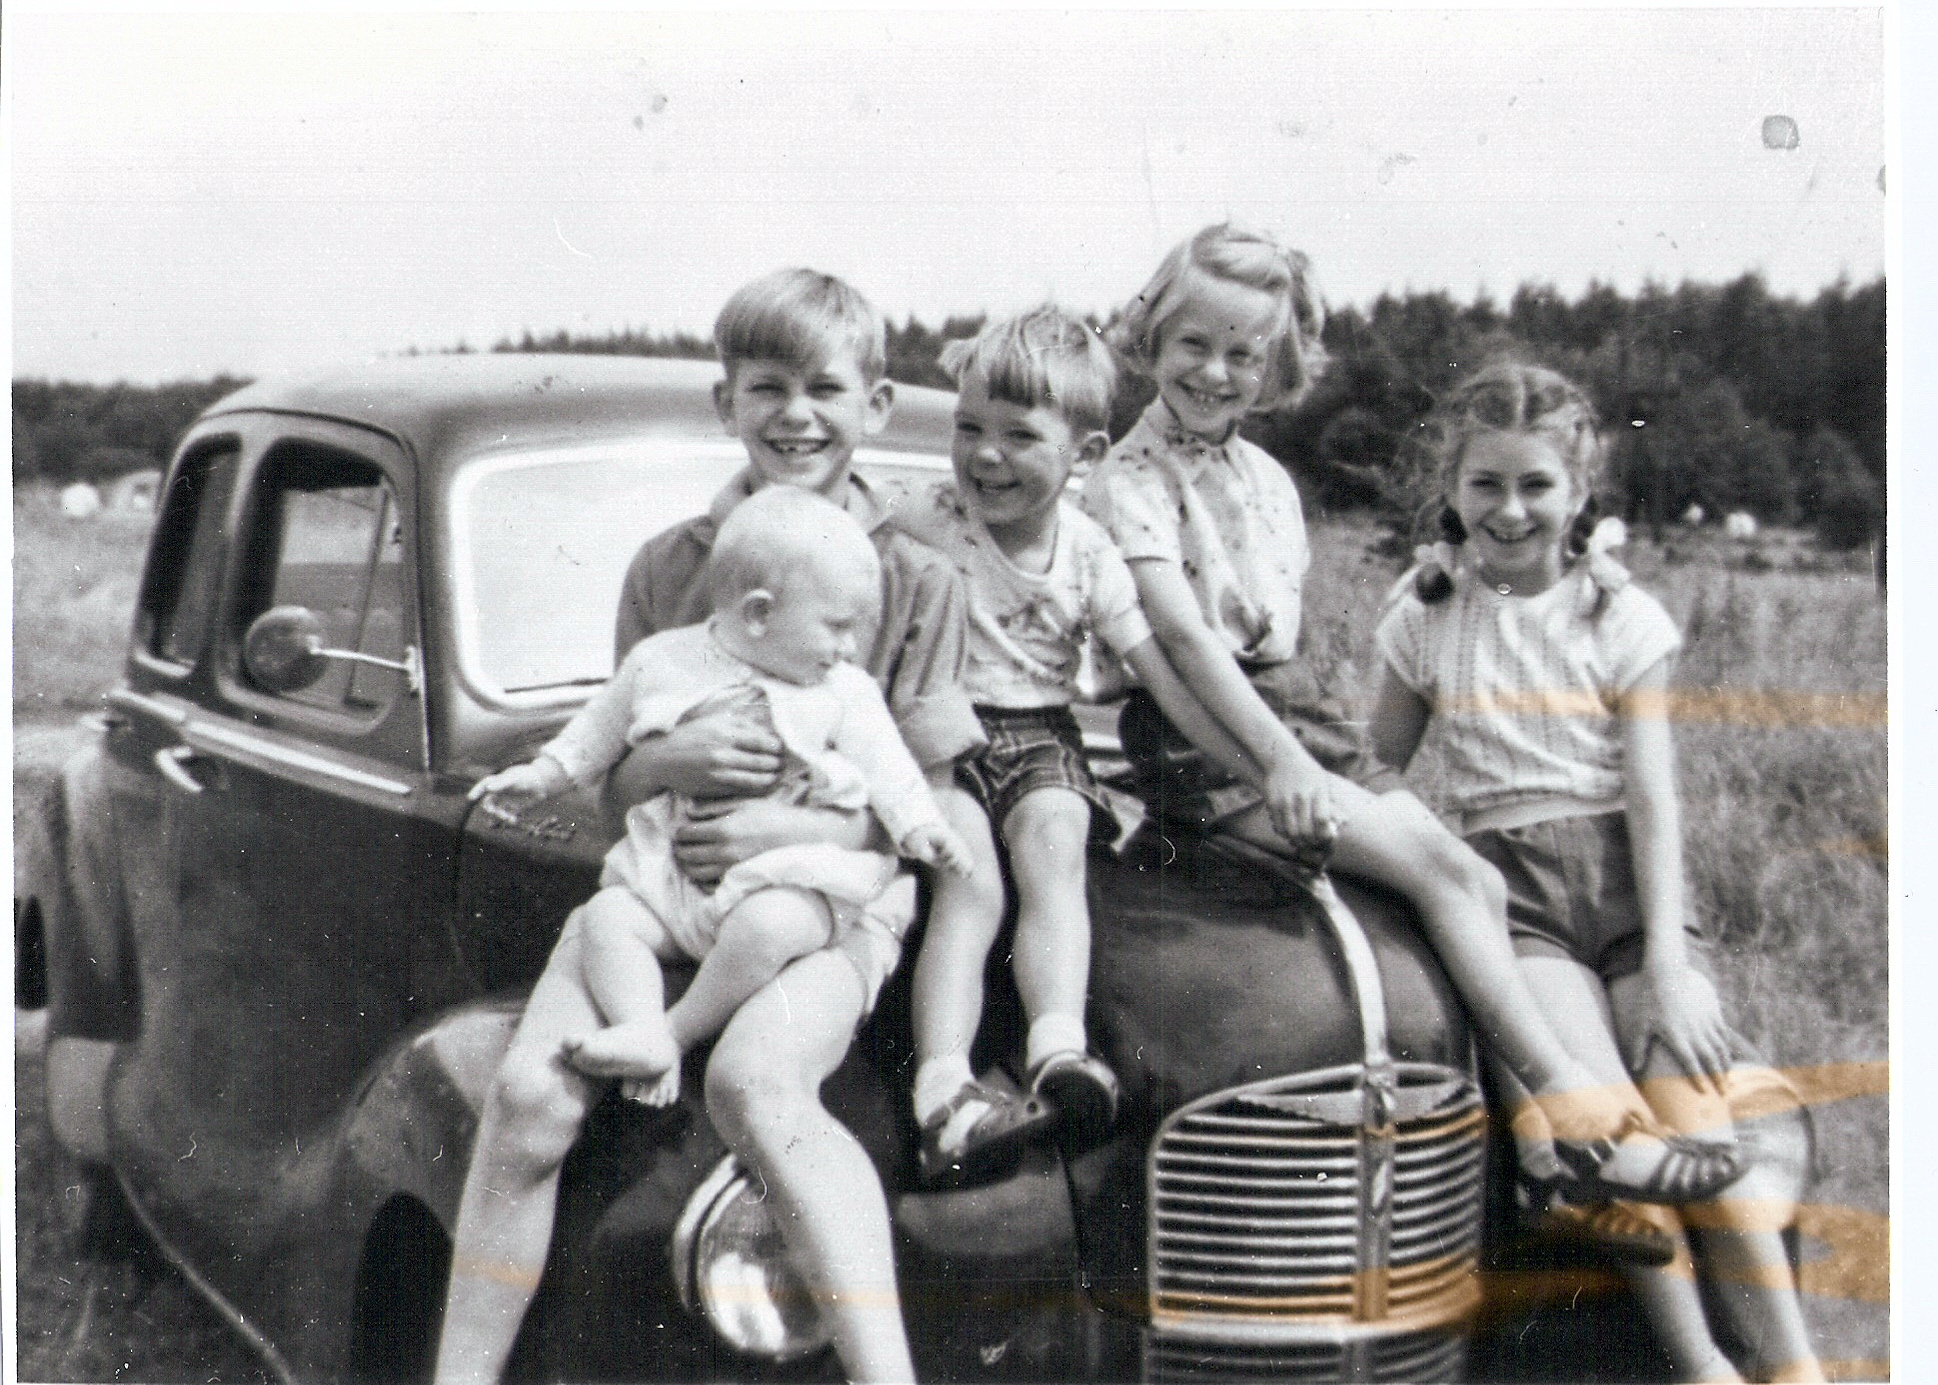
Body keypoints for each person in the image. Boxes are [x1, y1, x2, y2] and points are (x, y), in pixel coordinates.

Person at [1080, 222, 1743, 1209]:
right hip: (1210, 737)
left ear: (1278, 362)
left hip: (1297, 715)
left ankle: (1542, 1150)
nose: (1216, 372)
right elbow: (1187, 649)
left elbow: (1284, 650)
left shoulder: (1264, 480)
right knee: (1442, 872)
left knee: (1470, 876)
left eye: (1244, 353)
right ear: (1152, 337)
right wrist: (1280, 769)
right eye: (1194, 344)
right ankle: (1570, 1110)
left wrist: (1312, 749)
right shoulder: (1127, 481)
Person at [435, 268, 984, 1385]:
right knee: (533, 1095)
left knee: (756, 1085)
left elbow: (930, 811)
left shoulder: (918, 576)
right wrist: (660, 760)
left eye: (825, 387)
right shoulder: (671, 566)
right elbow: (610, 780)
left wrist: (789, 822)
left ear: (873, 407)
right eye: (767, 386)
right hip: (658, 886)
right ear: (724, 398)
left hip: (827, 911)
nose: (797, 413)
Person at [1369, 359, 1824, 1383]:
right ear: (1451, 487)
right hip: (1512, 893)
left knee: (1699, 1114)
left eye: (1536, 485)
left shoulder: (1619, 615)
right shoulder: (1424, 614)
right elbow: (1378, 767)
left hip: (1629, 887)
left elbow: (1656, 797)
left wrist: (1668, 955)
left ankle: (1792, 1362)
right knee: (1607, 1122)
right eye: (1485, 484)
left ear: (1579, 494)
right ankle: (1699, 1360)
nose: (1510, 508)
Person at [894, 306, 1262, 1186]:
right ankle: (942, 1083)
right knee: (968, 878)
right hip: (942, 735)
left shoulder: (1093, 554)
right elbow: (842, 585)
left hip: (1040, 735)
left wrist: (1255, 760)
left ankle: (1056, 1042)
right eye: (968, 428)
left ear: (1087, 456)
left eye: (1019, 436)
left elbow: (1160, 673)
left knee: (1055, 842)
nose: (985, 456)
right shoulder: (925, 520)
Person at [467, 487, 969, 1109]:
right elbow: (597, 731)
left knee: (773, 925)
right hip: (673, 879)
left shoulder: (846, 691)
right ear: (757, 614)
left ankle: (675, 1034)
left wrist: (921, 827)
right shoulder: (664, 660)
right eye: (838, 627)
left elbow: (892, 772)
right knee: (607, 919)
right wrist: (542, 775)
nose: (849, 649)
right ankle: (640, 1025)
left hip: (788, 878)